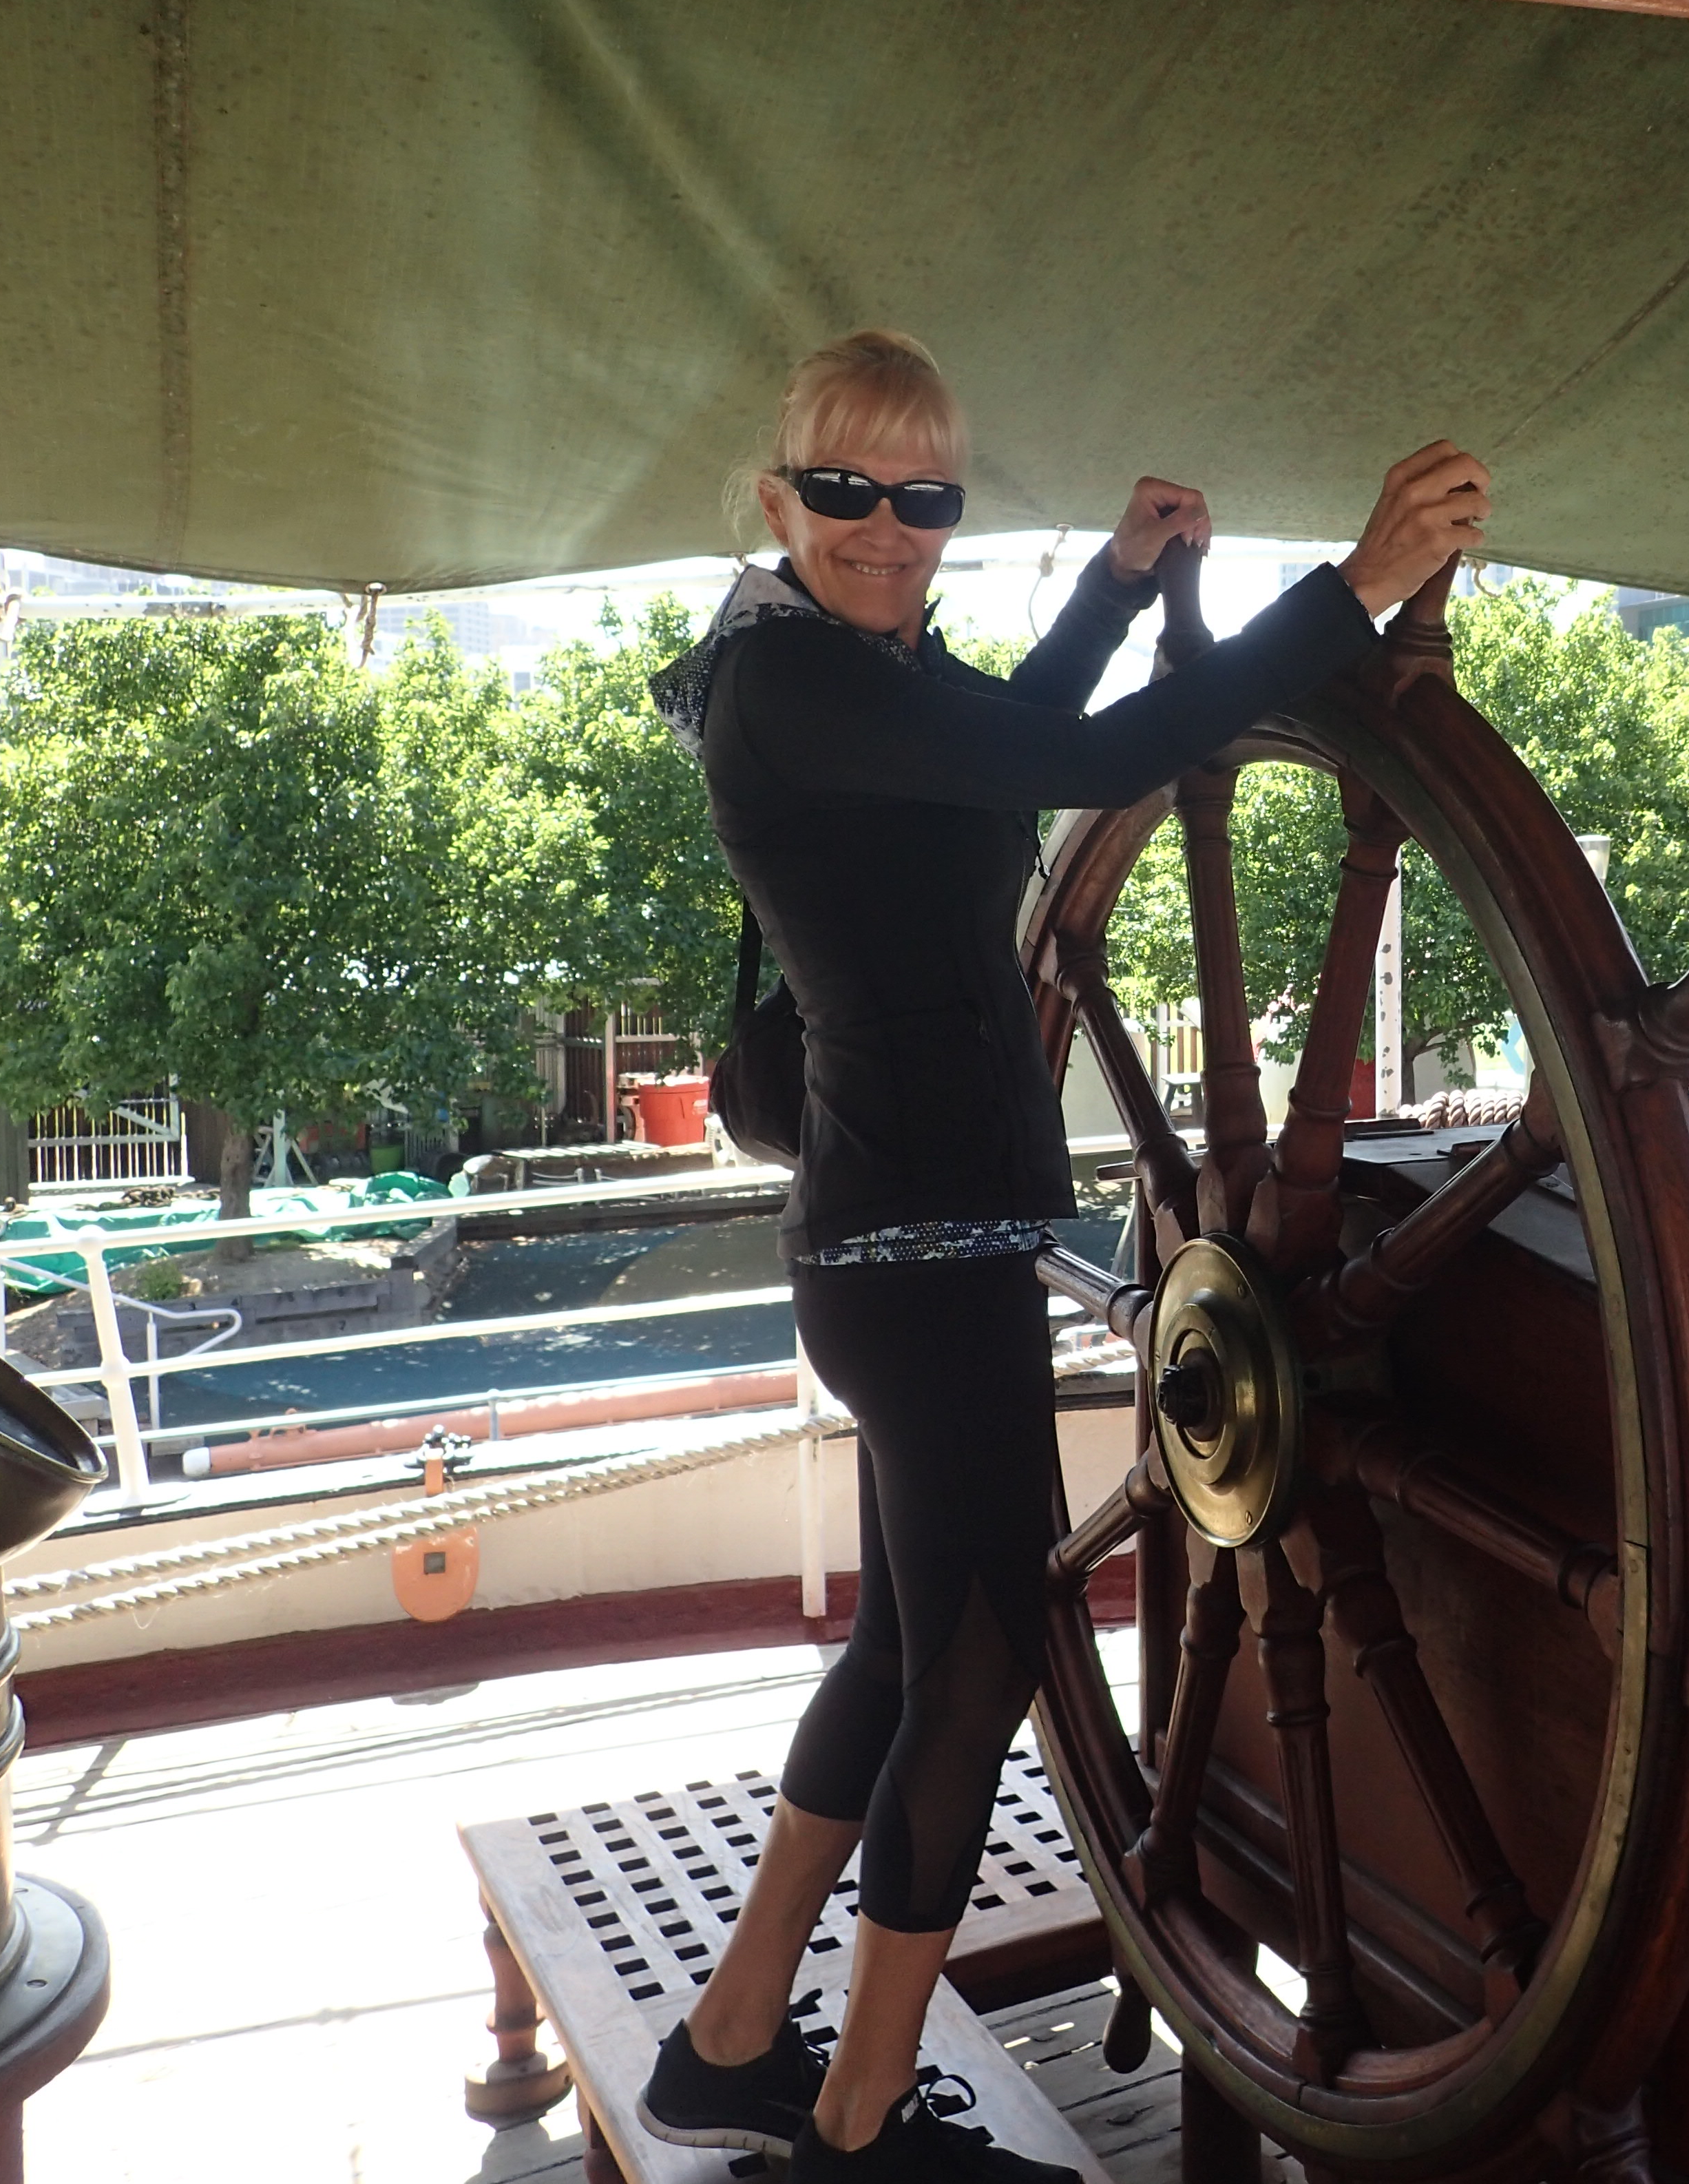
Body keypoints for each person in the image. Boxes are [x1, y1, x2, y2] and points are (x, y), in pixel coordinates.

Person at [640, 329, 1488, 2179]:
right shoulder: (796, 683)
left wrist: (1109, 590)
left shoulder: (838, 669)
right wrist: (1355, 585)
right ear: (780, 497)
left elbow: (1013, 752)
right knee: (983, 1662)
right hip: (919, 1253)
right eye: (847, 490)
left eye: (926, 497)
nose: (888, 527)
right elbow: (1089, 758)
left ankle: (730, 2044)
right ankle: (862, 2119)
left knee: (904, 1651)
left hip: (901, 1241)